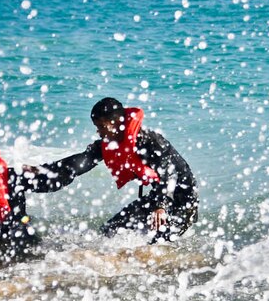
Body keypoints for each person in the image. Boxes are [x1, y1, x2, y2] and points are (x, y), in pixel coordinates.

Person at [60, 98, 198, 242]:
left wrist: (160, 206)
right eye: (97, 127)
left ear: (116, 122)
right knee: (108, 231)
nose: (99, 132)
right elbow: (78, 162)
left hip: (183, 202)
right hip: (157, 197)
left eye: (101, 126)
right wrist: (41, 172)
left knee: (157, 244)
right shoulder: (110, 143)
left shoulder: (150, 141)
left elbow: (169, 174)